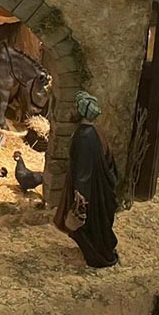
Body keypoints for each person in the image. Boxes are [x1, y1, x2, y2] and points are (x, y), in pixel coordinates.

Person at [54, 91, 118, 269]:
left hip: (88, 190)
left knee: (85, 225)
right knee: (90, 226)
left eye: (75, 107)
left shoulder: (84, 136)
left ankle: (94, 256)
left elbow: (84, 169)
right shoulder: (94, 132)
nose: (72, 110)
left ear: (81, 111)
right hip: (94, 186)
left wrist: (79, 195)